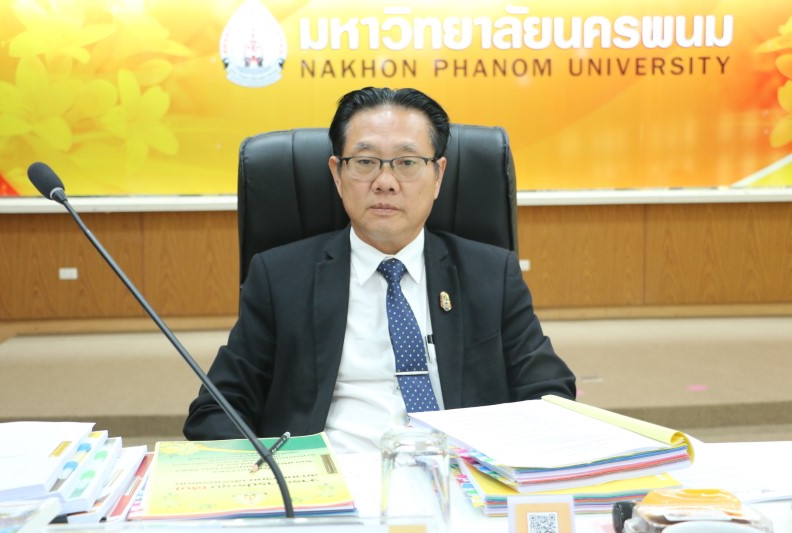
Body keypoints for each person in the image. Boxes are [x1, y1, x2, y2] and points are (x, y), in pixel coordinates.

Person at [184, 87, 576, 453]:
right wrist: (281, 477)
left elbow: (549, 392)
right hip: (333, 478)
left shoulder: (491, 274)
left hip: (457, 474)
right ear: (337, 174)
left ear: (438, 176)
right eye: (365, 162)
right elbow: (217, 409)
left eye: (407, 163)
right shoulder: (279, 277)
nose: (385, 182)